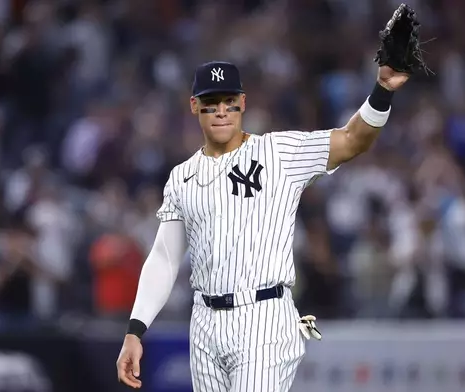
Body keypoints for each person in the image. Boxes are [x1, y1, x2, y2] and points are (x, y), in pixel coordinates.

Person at [115, 52, 410, 392]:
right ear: (195, 106)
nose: (222, 110)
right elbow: (165, 258)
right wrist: (136, 330)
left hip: (264, 317)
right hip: (204, 323)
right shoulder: (182, 178)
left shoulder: (279, 152)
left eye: (229, 100)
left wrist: (383, 90)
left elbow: (352, 139)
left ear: (242, 102)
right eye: (212, 102)